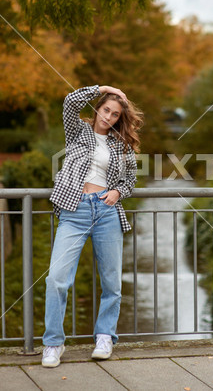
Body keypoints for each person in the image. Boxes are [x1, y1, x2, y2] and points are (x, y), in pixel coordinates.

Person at [42, 84, 143, 368]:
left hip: (106, 211)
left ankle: (104, 337)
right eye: (105, 109)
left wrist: (118, 192)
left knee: (111, 282)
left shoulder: (121, 144)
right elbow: (70, 102)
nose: (108, 117)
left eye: (114, 114)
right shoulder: (77, 130)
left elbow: (130, 180)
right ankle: (53, 343)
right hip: (74, 211)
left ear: (119, 119)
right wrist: (104, 88)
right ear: (98, 107)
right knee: (56, 279)